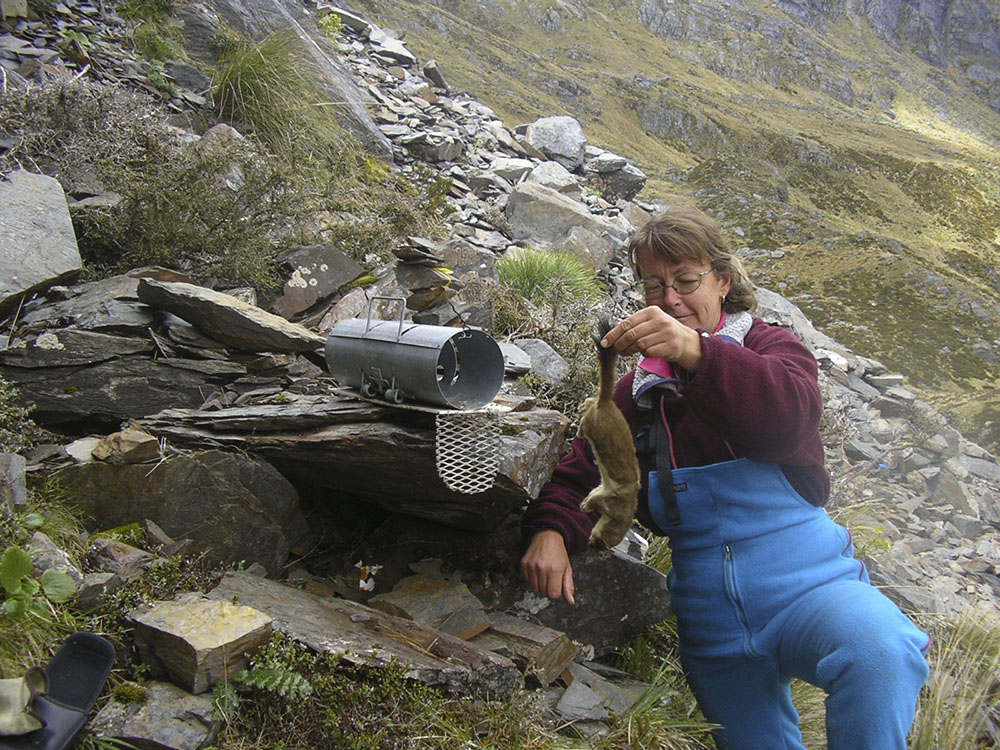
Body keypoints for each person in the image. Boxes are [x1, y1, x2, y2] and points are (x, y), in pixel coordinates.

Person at [520, 206, 930, 750]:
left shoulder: (772, 349)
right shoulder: (634, 396)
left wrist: (695, 353)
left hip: (813, 589)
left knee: (881, 652)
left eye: (686, 281)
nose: (670, 299)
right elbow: (582, 477)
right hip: (712, 625)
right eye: (653, 286)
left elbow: (788, 422)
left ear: (723, 281)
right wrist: (551, 530)